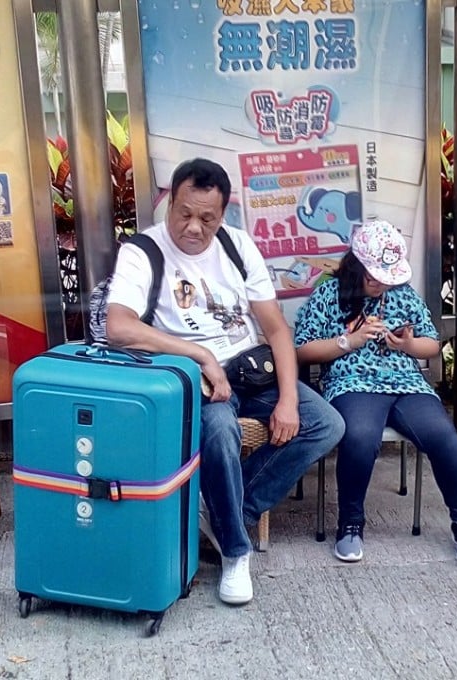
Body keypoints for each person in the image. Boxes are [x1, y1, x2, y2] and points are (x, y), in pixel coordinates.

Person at [106, 158, 345, 606]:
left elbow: (276, 329)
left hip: (252, 369)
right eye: (184, 213)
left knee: (327, 424)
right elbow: (118, 326)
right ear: (170, 201)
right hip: (194, 376)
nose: (193, 227)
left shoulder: (238, 247)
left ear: (223, 213)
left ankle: (222, 515)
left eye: (207, 218)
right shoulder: (143, 252)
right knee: (218, 430)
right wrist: (199, 354)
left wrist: (289, 399)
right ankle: (237, 551)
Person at [294, 220, 457, 565]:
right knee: (361, 436)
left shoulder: (402, 293)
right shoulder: (328, 294)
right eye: (374, 277)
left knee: (442, 435)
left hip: (406, 382)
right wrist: (348, 341)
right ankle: (351, 524)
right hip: (352, 381)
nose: (382, 284)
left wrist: (408, 344)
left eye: (387, 277)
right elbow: (302, 350)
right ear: (357, 265)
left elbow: (431, 345)